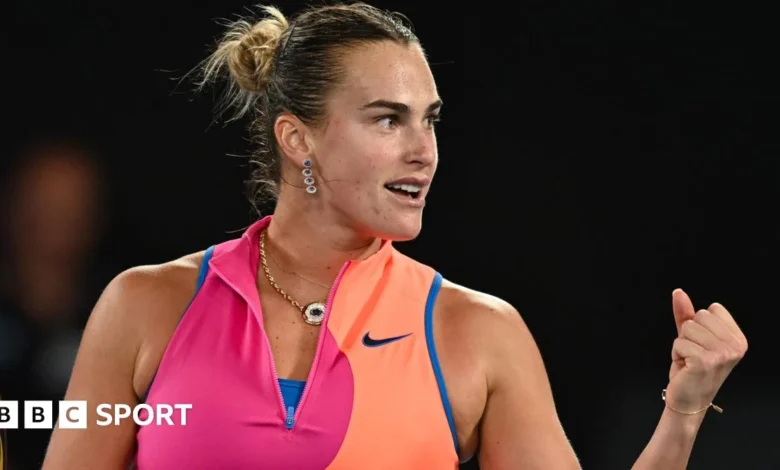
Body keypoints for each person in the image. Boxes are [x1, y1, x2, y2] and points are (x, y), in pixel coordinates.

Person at [43, 3, 747, 469]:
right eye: (388, 119)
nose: (424, 151)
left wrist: (682, 415)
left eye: (429, 119)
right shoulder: (144, 307)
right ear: (298, 139)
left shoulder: (479, 332)